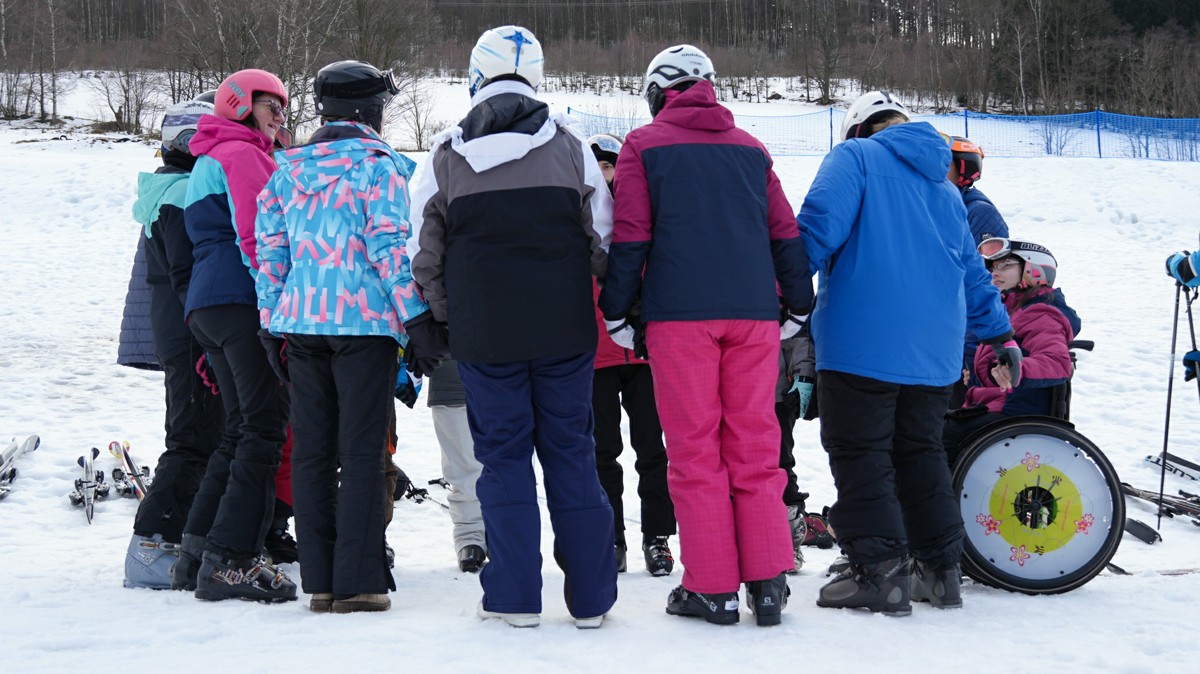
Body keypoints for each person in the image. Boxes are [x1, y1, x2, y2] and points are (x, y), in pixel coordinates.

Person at [408, 25, 617, 629]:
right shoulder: (571, 147)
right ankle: (592, 600)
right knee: (572, 453)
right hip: (564, 329)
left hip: (485, 334)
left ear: (476, 77)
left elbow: (422, 252)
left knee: (501, 459)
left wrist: (442, 317)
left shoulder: (446, 155)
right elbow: (603, 239)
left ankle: (513, 597)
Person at [598, 44, 814, 627]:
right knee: (756, 447)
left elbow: (632, 234)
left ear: (657, 92)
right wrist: (799, 302)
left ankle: (713, 589)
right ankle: (767, 585)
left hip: (680, 318)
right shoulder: (751, 148)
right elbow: (784, 231)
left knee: (695, 452)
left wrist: (617, 309)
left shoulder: (644, 145)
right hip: (753, 316)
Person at [796, 91, 1016, 616]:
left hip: (861, 344)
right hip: (935, 353)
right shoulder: (944, 186)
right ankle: (940, 573)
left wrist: (772, 299)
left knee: (862, 453)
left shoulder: (854, 158)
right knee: (920, 453)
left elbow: (814, 235)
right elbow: (972, 273)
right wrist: (1001, 336)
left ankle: (881, 573)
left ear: (858, 129)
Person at [255, 60, 427, 614]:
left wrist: (269, 323)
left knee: (311, 452)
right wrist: (417, 319)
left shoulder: (286, 170)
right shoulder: (379, 167)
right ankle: (360, 582)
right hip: (364, 325)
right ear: (370, 111)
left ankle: (322, 581)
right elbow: (388, 249)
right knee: (360, 451)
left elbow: (270, 254)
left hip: (302, 324)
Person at [172, 68, 296, 603]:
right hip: (241, 299)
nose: (279, 117)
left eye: (284, 108)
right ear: (241, 103)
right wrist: (275, 309)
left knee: (240, 427)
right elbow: (255, 235)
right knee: (264, 428)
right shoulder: (242, 155)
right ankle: (232, 560)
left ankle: (197, 552)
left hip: (209, 304)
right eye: (272, 106)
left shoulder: (209, 156)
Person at [121, 95, 224, 589]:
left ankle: (184, 535)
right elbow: (188, 277)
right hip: (191, 336)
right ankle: (149, 544)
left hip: (182, 333)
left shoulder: (169, 189)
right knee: (192, 438)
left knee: (202, 434)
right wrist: (211, 335)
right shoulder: (183, 195)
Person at [586, 133, 676, 577]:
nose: (606, 174)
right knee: (602, 451)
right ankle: (612, 537)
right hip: (596, 355)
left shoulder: (642, 213)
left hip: (643, 353)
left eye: (611, 165)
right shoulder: (579, 218)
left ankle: (657, 537)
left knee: (653, 450)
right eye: (598, 166)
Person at [943, 240, 1077, 463]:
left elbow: (1056, 362)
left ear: (1034, 270)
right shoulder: (1009, 312)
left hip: (1013, 414)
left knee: (931, 439)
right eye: (993, 267)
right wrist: (975, 375)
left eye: (1005, 265)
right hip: (994, 408)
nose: (995, 272)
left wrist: (1018, 369)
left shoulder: (1040, 313)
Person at [424, 358, 488, 573]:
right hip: (451, 374)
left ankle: (506, 533)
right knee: (464, 468)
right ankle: (470, 537)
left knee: (509, 467)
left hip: (512, 374)